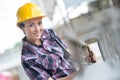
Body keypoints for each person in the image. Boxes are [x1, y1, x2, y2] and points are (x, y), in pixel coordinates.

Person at [16, 2, 77, 80]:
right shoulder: (27, 59)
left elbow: (68, 54)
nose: (37, 29)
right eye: (31, 25)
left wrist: (85, 57)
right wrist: (75, 75)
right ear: (22, 28)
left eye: (39, 23)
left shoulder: (49, 33)